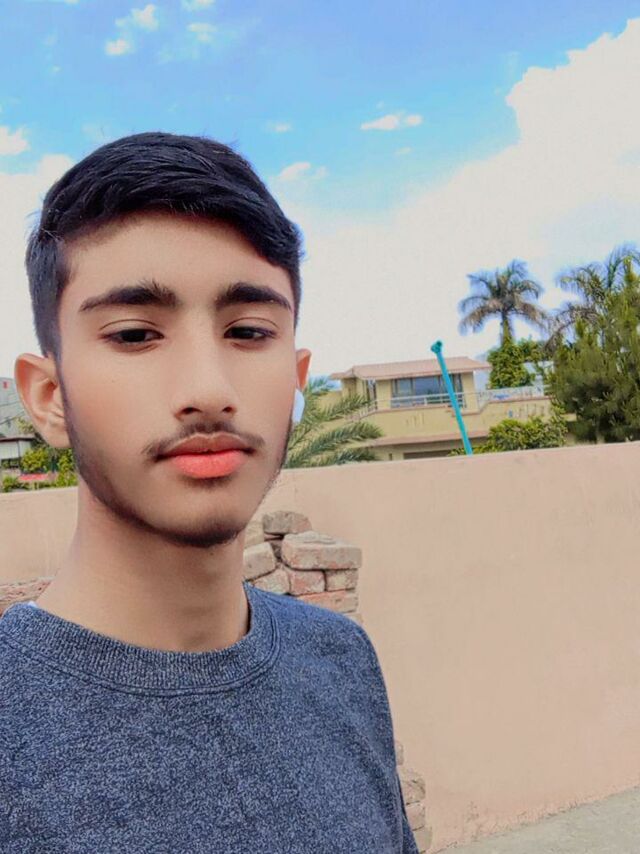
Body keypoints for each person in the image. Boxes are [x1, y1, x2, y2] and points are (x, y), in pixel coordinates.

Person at [0, 132, 418, 853]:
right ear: (48, 396)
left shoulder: (342, 660)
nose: (208, 389)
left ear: (296, 378)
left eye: (249, 331)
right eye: (135, 335)